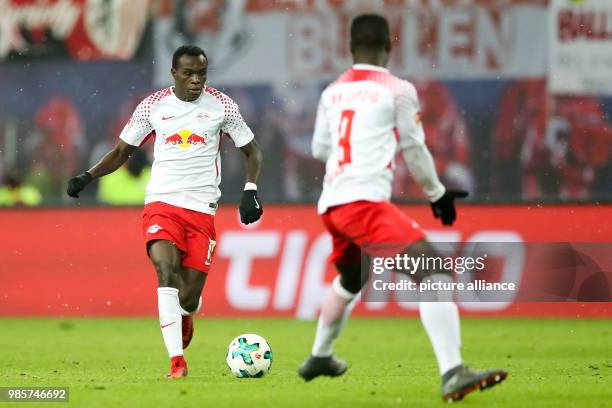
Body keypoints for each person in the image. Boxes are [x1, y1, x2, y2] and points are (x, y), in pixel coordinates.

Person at [298, 14, 506, 402]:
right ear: (389, 47)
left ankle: (319, 357)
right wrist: (436, 192)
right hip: (363, 204)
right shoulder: (397, 89)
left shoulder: (332, 91)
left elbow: (319, 149)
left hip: (332, 205)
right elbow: (414, 148)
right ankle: (453, 371)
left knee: (351, 278)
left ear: (350, 47)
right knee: (434, 270)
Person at [66, 45, 263, 379]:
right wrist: (88, 176)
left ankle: (186, 313)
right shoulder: (152, 107)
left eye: (202, 73)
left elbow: (252, 151)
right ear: (174, 73)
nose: (196, 80)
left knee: (188, 296)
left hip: (202, 209)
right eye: (188, 73)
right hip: (162, 203)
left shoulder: (222, 106)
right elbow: (121, 152)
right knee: (165, 269)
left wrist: (250, 192)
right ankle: (177, 362)